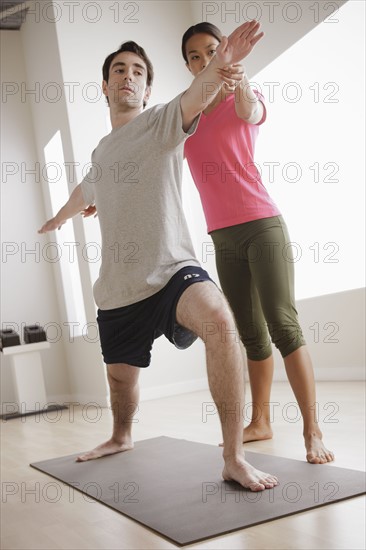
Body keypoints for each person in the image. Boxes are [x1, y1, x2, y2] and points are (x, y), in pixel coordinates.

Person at [38, 22, 279, 491]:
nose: (128, 76)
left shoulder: (162, 121)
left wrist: (223, 61)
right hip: (118, 288)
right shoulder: (102, 151)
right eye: (119, 71)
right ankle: (121, 436)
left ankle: (233, 456)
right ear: (105, 87)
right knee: (121, 383)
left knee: (220, 321)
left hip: (172, 270)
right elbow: (84, 188)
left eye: (137, 72)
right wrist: (60, 217)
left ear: (148, 90)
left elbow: (199, 91)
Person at [181, 22, 334, 464]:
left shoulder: (241, 98)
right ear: (188, 64)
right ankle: (260, 421)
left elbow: (249, 111)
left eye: (212, 49)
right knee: (250, 334)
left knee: (283, 324)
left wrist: (239, 76)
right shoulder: (188, 114)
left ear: (223, 50)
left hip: (262, 223)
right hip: (221, 234)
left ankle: (312, 430)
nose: (204, 58)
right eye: (195, 55)